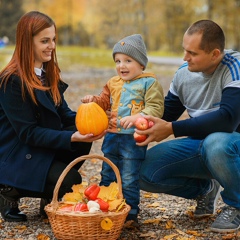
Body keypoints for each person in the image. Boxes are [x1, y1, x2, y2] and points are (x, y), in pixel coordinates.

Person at [136, 19, 240, 233]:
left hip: (231, 146)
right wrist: (132, 119)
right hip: (200, 146)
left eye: (192, 53)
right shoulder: (184, 73)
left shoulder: (235, 68)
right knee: (143, 172)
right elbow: (166, 113)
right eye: (185, 50)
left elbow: (227, 119)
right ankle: (205, 189)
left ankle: (236, 204)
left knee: (217, 143)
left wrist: (173, 129)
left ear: (215, 54)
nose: (185, 58)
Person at [0, 11, 105, 222]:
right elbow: (28, 133)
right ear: (27, 42)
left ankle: (49, 193)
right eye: (45, 41)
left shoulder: (47, 73)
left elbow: (64, 113)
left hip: (37, 148)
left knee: (83, 136)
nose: (52, 46)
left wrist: (97, 118)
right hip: (17, 155)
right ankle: (8, 191)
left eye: (53, 40)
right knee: (71, 180)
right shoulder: (11, 81)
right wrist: (71, 137)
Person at [81, 34, 164, 225]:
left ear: (141, 64)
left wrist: (138, 117)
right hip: (112, 136)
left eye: (128, 60)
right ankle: (105, 207)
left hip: (133, 139)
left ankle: (130, 212)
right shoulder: (113, 83)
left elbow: (156, 107)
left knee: (128, 176)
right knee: (107, 173)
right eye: (117, 61)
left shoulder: (149, 83)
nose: (121, 66)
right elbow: (103, 101)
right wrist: (92, 100)